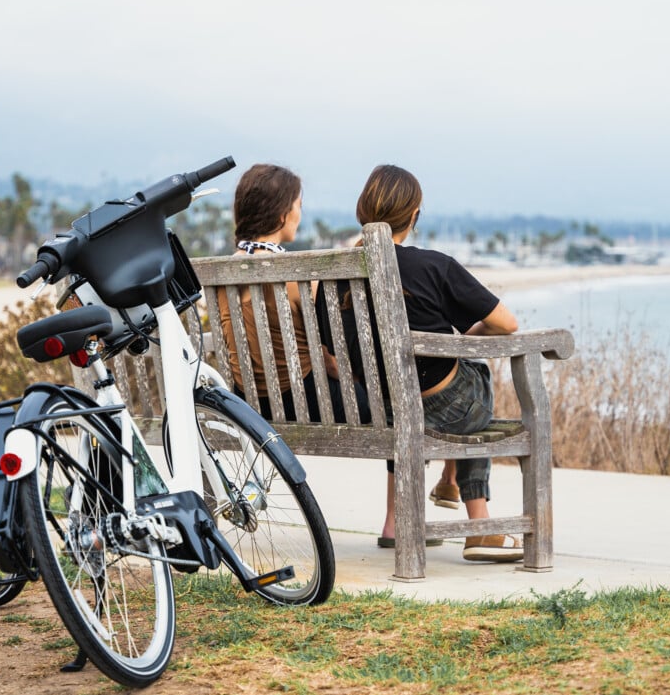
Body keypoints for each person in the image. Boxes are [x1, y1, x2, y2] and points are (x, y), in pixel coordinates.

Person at [320, 164, 523, 562]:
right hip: (446, 407)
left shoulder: (333, 274)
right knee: (474, 380)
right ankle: (478, 525)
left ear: (363, 211)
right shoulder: (433, 266)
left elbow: (332, 357)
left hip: (384, 408)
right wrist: (461, 343)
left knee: (407, 399)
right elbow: (507, 323)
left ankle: (397, 522)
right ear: (413, 216)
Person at [217, 163, 351, 422]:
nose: (299, 214)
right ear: (282, 215)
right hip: (305, 405)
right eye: (298, 206)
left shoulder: (221, 275)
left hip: (246, 409)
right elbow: (332, 364)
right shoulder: (297, 278)